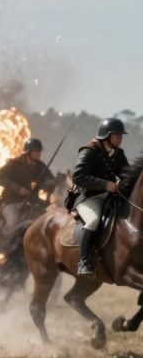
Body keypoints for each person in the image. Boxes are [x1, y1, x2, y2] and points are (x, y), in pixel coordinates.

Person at [71, 118, 129, 276]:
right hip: (89, 198)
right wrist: (106, 185)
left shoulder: (118, 153)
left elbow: (127, 175)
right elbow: (78, 177)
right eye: (117, 135)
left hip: (111, 198)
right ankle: (84, 262)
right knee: (93, 220)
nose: (120, 138)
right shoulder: (89, 150)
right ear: (107, 135)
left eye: (121, 135)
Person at [0, 138, 56, 231]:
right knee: (13, 223)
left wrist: (47, 184)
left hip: (32, 202)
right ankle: (7, 243)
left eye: (39, 151)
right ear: (29, 152)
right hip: (11, 201)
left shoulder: (40, 166)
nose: (39, 154)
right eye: (36, 151)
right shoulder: (14, 164)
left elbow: (50, 180)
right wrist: (18, 189)